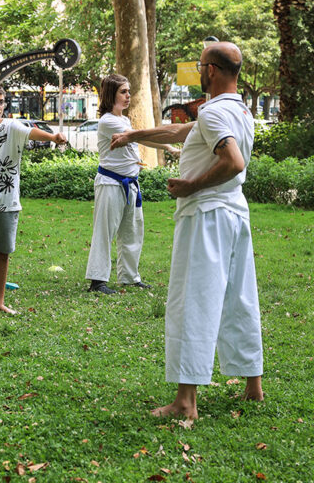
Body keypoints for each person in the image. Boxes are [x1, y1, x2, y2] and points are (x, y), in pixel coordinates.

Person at [110, 42, 263, 419]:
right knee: (238, 297)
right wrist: (134, 135)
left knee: (193, 299)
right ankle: (253, 387)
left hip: (206, 216)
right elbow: (181, 132)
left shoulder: (213, 114)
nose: (197, 71)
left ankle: (185, 402)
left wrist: (191, 185)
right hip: (234, 214)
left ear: (211, 70)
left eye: (199, 66)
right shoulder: (239, 111)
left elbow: (233, 162)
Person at [0, 83, 67, 318]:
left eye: (1, 102)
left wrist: (53, 136)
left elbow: (32, 133)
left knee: (3, 253)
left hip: (8, 201)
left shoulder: (12, 127)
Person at [85, 74, 179, 295]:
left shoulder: (124, 120)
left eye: (128, 91)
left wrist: (168, 148)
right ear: (111, 95)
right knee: (105, 232)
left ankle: (129, 277)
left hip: (130, 184)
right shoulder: (108, 121)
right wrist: (167, 141)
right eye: (123, 92)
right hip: (110, 182)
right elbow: (135, 136)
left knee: (132, 231)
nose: (128, 96)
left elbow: (136, 137)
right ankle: (97, 281)